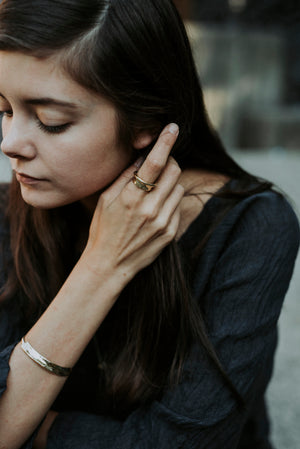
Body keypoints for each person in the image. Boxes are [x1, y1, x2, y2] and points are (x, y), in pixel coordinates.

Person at [0, 0, 299, 448]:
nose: (10, 143)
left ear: (146, 120)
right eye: (3, 108)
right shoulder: (10, 211)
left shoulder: (250, 225)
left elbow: (185, 442)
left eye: (50, 121)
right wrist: (100, 266)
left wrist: (43, 428)